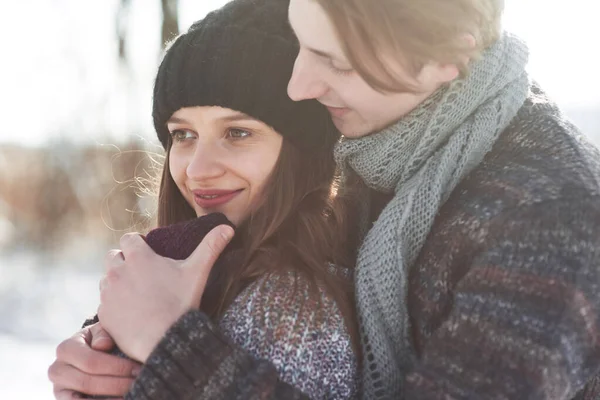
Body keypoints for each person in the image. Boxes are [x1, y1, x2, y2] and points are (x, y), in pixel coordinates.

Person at [51, 0, 600, 398]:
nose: (298, 85)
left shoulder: (548, 217)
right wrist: (107, 347)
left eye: (333, 60)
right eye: (302, 40)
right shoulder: (376, 144)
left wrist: (171, 347)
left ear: (444, 59)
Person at [48, 0, 360, 399]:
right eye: (183, 135)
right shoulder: (220, 274)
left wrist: (162, 343)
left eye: (238, 133)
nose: (197, 169)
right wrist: (104, 347)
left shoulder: (289, 309)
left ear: (303, 150)